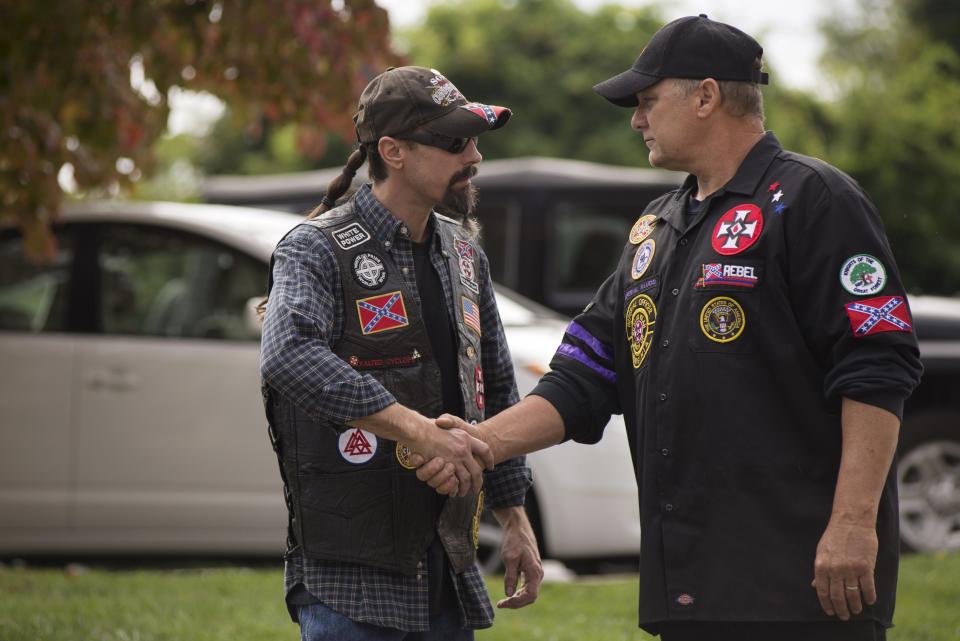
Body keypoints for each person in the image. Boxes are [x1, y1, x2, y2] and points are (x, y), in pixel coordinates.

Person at [422, 15, 923, 641]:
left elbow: (877, 366)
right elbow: (584, 376)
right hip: (689, 583)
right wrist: (480, 444)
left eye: (648, 101)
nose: (636, 119)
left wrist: (854, 522)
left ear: (707, 96)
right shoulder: (656, 226)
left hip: (802, 583)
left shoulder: (815, 199)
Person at [259, 65, 543, 640]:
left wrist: (515, 517)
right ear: (393, 151)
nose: (474, 157)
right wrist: (417, 430)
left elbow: (495, 386)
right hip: (349, 581)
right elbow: (288, 355)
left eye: (475, 140)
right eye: (453, 141)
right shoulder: (314, 248)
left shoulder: (466, 253)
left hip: (446, 569)